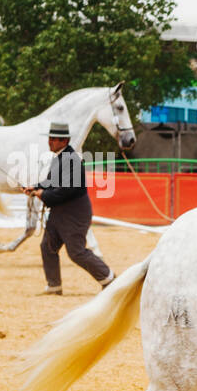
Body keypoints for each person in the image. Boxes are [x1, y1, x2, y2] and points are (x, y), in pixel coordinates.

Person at [24, 121, 114, 296]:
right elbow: (51, 182)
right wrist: (35, 187)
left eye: (53, 139)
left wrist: (42, 194)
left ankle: (109, 279)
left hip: (75, 213)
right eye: (49, 138)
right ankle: (54, 286)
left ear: (63, 141)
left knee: (76, 252)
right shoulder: (60, 157)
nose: (49, 141)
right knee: (47, 246)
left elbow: (64, 191)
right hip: (60, 212)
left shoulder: (71, 160)